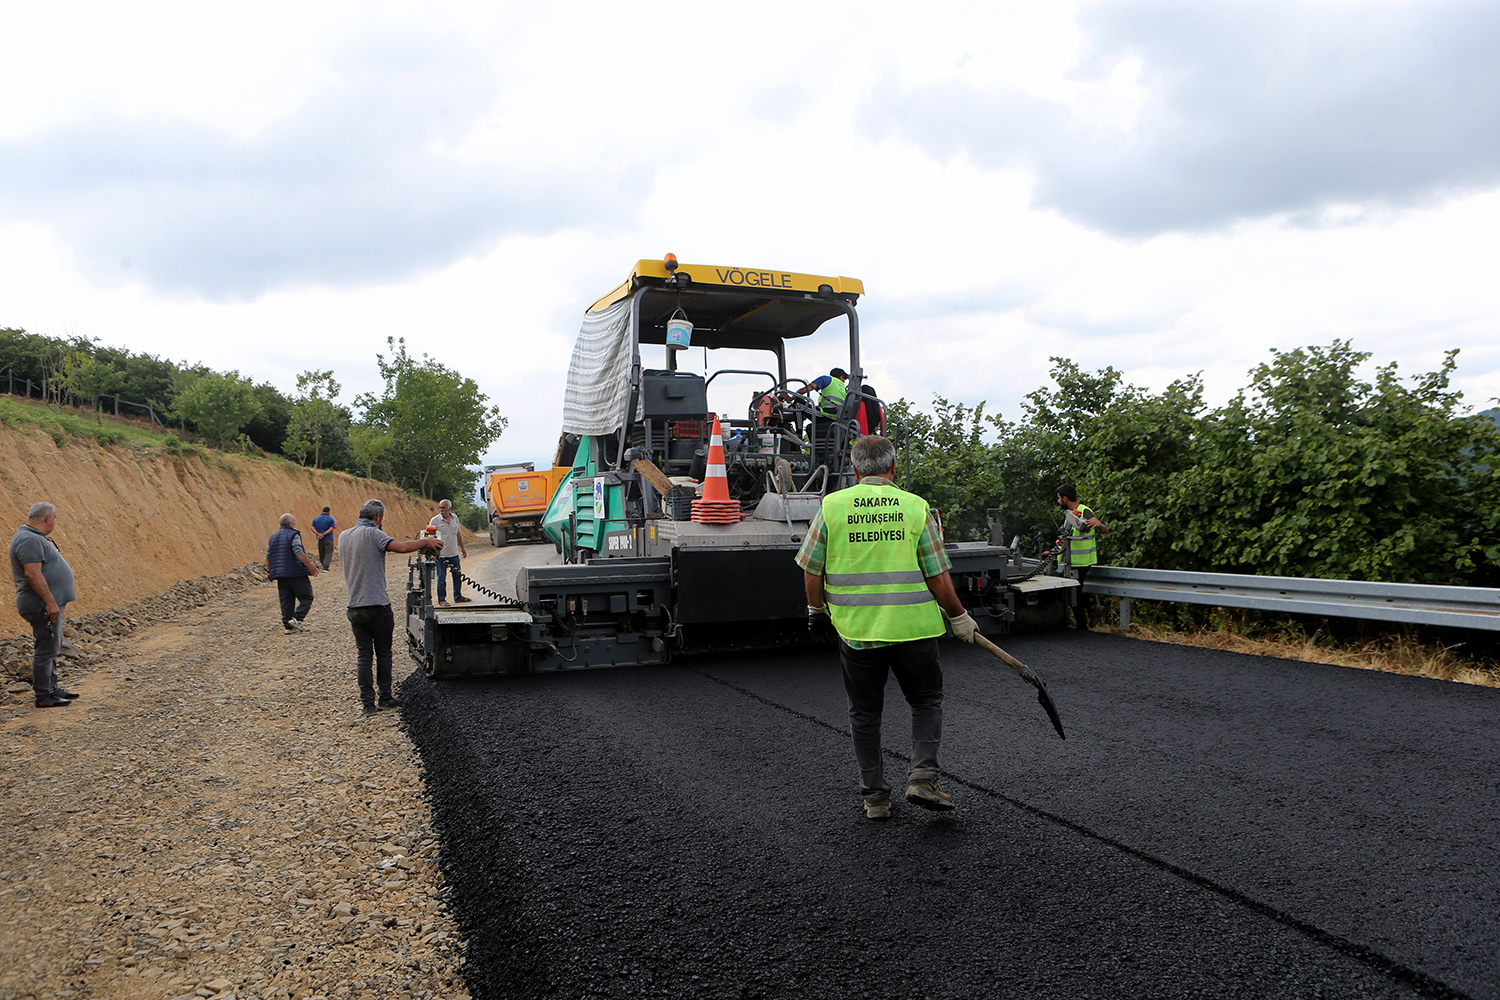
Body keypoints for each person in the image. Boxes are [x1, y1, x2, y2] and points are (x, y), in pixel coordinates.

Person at [796, 435, 979, 821]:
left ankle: (875, 799)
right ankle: (923, 777)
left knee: (864, 714)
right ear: (893, 468)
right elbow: (938, 576)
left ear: (856, 469)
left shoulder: (832, 506)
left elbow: (812, 567)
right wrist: (959, 616)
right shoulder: (915, 507)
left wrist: (816, 611)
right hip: (914, 630)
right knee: (925, 701)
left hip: (858, 633)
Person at [341, 499, 443, 715]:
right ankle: (385, 698)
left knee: (364, 655)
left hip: (354, 607)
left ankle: (367, 704)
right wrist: (426, 543)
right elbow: (402, 547)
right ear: (378, 517)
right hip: (377, 606)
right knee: (384, 653)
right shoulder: (374, 534)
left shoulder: (344, 536)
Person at [10, 502, 78, 708]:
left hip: (48, 603)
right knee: (46, 649)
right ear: (48, 518)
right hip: (40, 603)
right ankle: (44, 696)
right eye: (55, 518)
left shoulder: (33, 537)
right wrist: (50, 602)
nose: (55, 521)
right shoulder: (28, 540)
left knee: (52, 645)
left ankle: (51, 688)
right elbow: (32, 574)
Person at [1056, 482, 1108, 630]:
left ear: (1065, 498)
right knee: (1073, 594)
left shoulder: (1084, 511)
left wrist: (1098, 525)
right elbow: (1067, 538)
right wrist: (1055, 550)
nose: (1058, 501)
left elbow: (1105, 529)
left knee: (1074, 595)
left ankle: (1085, 621)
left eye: (1059, 498)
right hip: (1071, 561)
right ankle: (1085, 620)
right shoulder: (1071, 515)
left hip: (1081, 561)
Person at [266, 513, 320, 632]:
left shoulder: (273, 537)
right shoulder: (293, 534)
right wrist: (309, 566)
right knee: (307, 596)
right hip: (295, 573)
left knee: (286, 600)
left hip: (280, 574)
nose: (295, 524)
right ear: (290, 523)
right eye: (294, 522)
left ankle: (288, 627)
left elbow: (268, 556)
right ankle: (297, 619)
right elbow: (298, 551)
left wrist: (269, 571)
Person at [428, 500, 471, 606]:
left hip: (454, 554)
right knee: (441, 579)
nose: (441, 510)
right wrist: (432, 554)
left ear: (449, 508)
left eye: (443, 507)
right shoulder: (434, 520)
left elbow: (458, 534)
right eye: (440, 508)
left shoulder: (455, 518)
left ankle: (458, 596)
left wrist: (462, 549)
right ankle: (442, 600)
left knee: (457, 576)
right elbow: (429, 538)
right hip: (441, 556)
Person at [311, 506, 337, 570]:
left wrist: (318, 534)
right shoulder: (330, 519)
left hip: (319, 539)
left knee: (321, 552)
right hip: (328, 538)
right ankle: (326, 567)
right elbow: (331, 528)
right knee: (328, 552)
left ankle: (322, 564)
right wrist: (323, 534)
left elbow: (312, 527)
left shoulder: (316, 519)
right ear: (329, 511)